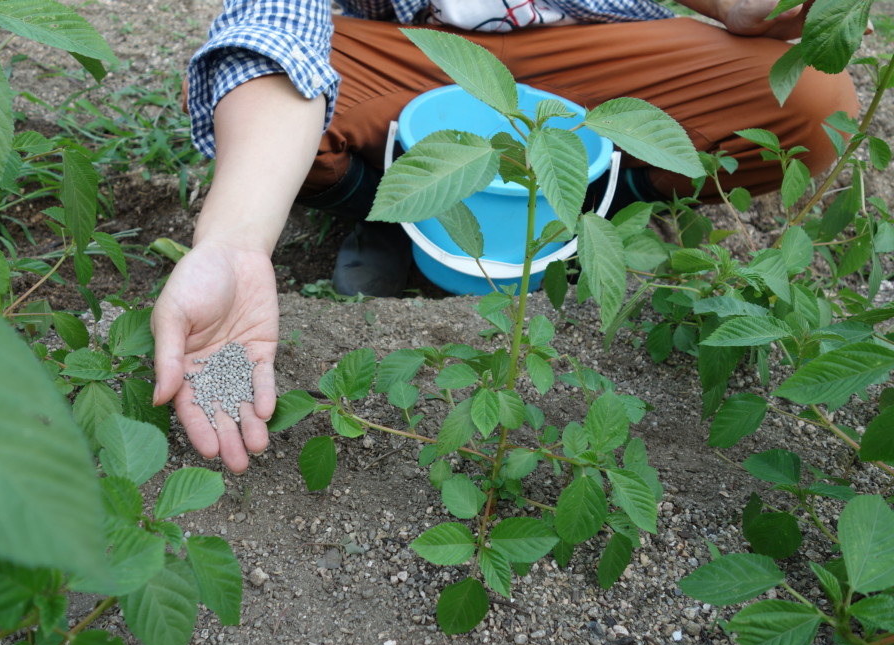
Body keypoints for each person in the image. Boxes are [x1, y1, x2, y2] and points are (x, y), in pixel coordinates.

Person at [151, 0, 859, 474]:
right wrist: (234, 244)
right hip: (416, 57)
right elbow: (275, 26)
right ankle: (394, 209)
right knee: (240, 83)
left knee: (813, 94)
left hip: (591, 54)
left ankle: (589, 211)